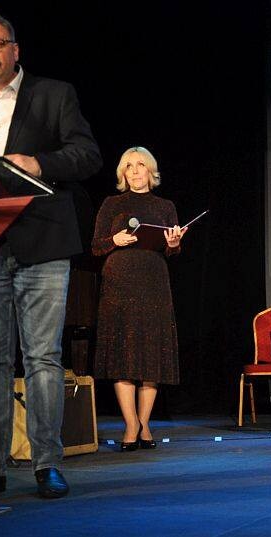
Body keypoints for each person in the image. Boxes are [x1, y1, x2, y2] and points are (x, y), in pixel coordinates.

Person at [0, 12, 102, 498]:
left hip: (42, 241)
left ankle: (46, 463)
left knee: (42, 358)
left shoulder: (54, 94)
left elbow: (88, 155)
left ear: (15, 49)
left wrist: (40, 162)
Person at [92, 147, 184, 451]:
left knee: (150, 355)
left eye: (140, 165)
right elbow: (95, 246)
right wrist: (114, 239)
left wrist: (174, 242)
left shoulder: (165, 205)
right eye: (128, 166)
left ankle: (144, 423)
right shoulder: (111, 203)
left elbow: (172, 251)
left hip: (153, 283)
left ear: (150, 171)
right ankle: (131, 424)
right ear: (122, 173)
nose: (134, 170)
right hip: (119, 283)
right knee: (123, 355)